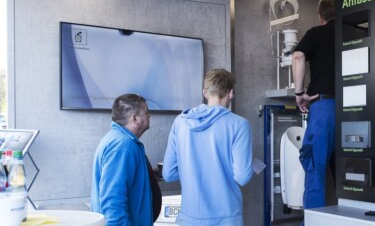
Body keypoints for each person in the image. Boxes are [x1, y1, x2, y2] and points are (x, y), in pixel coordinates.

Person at [162, 69, 253, 225]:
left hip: (188, 219)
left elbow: (168, 174)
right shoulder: (239, 125)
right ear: (230, 93)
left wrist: (192, 170)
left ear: (205, 92)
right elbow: (242, 177)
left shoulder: (180, 122)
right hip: (225, 219)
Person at [292, 0, 336, 209]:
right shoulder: (355, 33)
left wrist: (299, 92)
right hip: (356, 110)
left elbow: (298, 56)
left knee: (315, 171)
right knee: (353, 177)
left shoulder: (316, 33)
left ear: (320, 16)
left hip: (324, 109)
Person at [91, 93, 157, 225]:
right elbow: (112, 201)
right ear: (135, 118)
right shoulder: (122, 146)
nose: (149, 116)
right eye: (146, 112)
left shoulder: (122, 141)